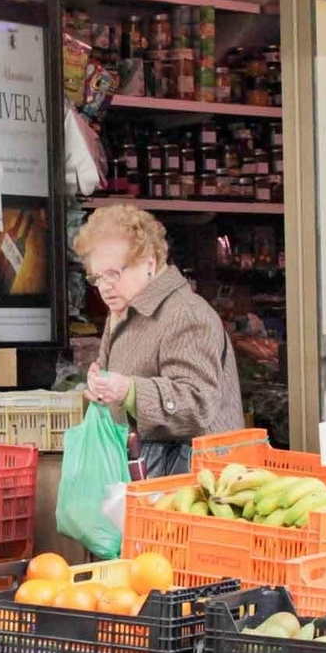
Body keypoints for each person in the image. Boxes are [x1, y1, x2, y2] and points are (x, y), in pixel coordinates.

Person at [73, 202, 243, 478]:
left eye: (114, 273)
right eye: (97, 277)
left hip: (193, 487)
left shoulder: (186, 315)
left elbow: (198, 403)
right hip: (146, 479)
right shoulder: (122, 308)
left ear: (149, 264)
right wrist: (102, 385)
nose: (104, 287)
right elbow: (122, 381)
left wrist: (129, 390)